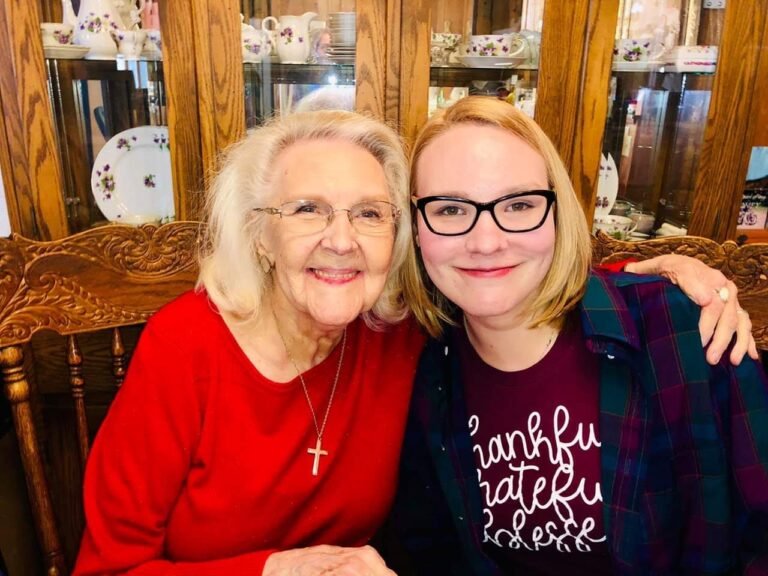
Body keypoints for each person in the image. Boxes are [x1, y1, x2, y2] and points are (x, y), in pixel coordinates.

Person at [74, 109, 756, 575]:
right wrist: (273, 570)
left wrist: (663, 280)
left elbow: (505, 272)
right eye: (307, 208)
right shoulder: (187, 346)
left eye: (369, 214)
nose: (340, 240)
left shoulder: (400, 332)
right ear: (259, 234)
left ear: (397, 237)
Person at [389, 97, 768, 575]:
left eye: (520, 204)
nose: (485, 242)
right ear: (416, 227)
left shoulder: (685, 330)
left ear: (556, 214)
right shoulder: (421, 362)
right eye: (449, 210)